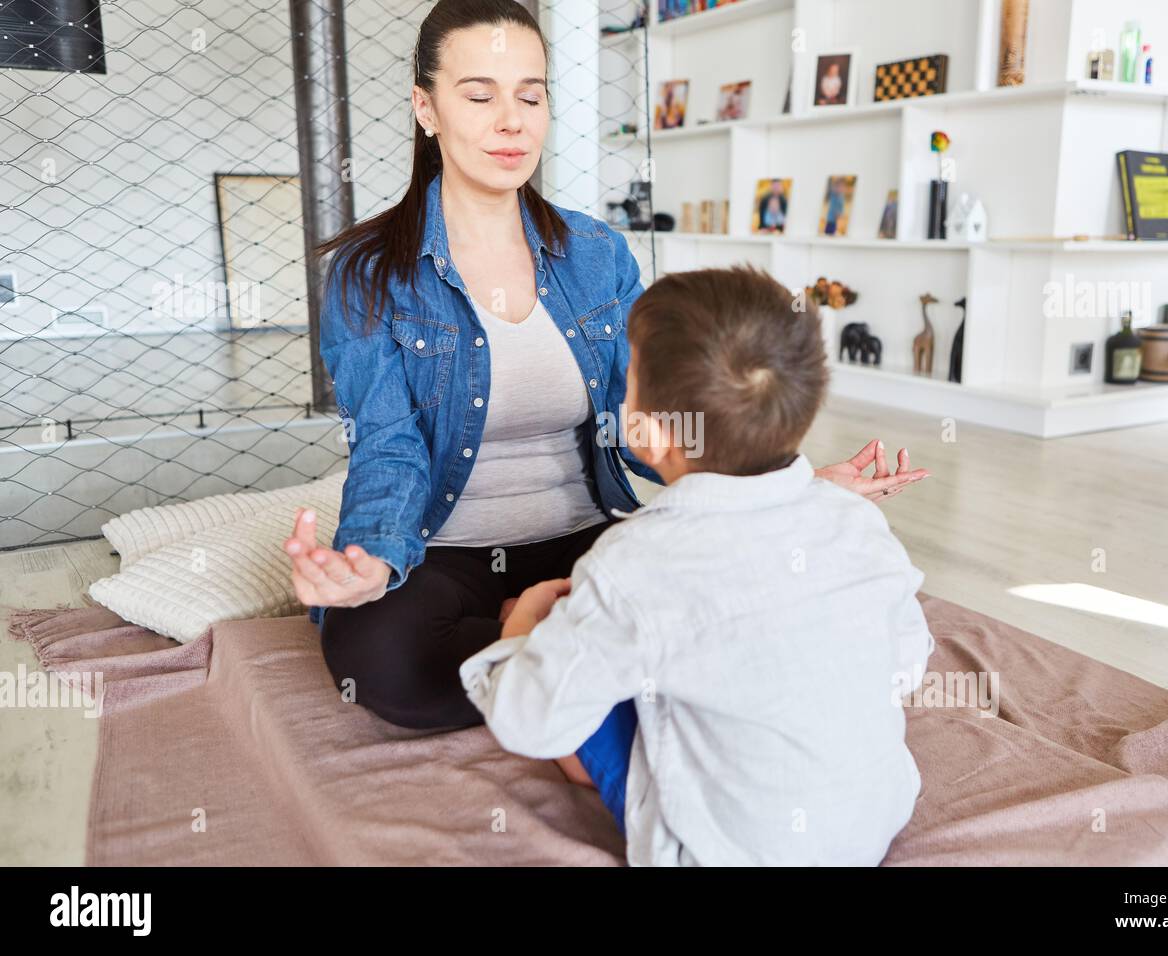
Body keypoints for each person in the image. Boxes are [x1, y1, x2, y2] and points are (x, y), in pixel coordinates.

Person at [282, 0, 928, 737]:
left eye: (531, 95)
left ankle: (548, 653)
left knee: (746, 583)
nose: (512, 121)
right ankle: (594, 658)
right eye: (480, 95)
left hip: (591, 541)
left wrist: (778, 483)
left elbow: (645, 420)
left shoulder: (597, 255)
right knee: (381, 662)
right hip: (446, 554)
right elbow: (388, 447)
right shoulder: (368, 275)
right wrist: (369, 560)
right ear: (426, 108)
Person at [459, 265, 935, 865]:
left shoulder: (633, 561)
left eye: (627, 377)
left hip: (717, 851)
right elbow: (906, 663)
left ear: (652, 433)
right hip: (872, 823)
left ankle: (550, 668)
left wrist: (522, 631)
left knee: (568, 665)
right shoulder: (856, 521)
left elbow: (528, 724)